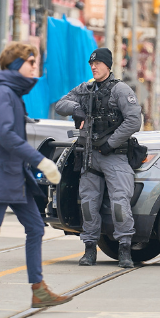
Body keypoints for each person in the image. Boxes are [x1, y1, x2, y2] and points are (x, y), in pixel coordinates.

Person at [0, 42, 70, 312]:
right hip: (2, 175)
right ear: (18, 65)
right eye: (32, 63)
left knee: (35, 228)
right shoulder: (3, 95)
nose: (36, 68)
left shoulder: (12, 95)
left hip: (15, 176)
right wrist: (39, 159)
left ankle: (38, 290)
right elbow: (6, 135)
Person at [54, 47, 143, 268]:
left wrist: (110, 143)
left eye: (98, 63)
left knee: (120, 204)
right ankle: (89, 249)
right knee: (88, 204)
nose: (93, 67)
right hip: (90, 157)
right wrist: (78, 109)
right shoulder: (85, 89)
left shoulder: (121, 90)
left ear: (108, 65)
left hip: (114, 155)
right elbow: (60, 105)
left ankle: (124, 250)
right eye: (91, 64)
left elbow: (134, 120)